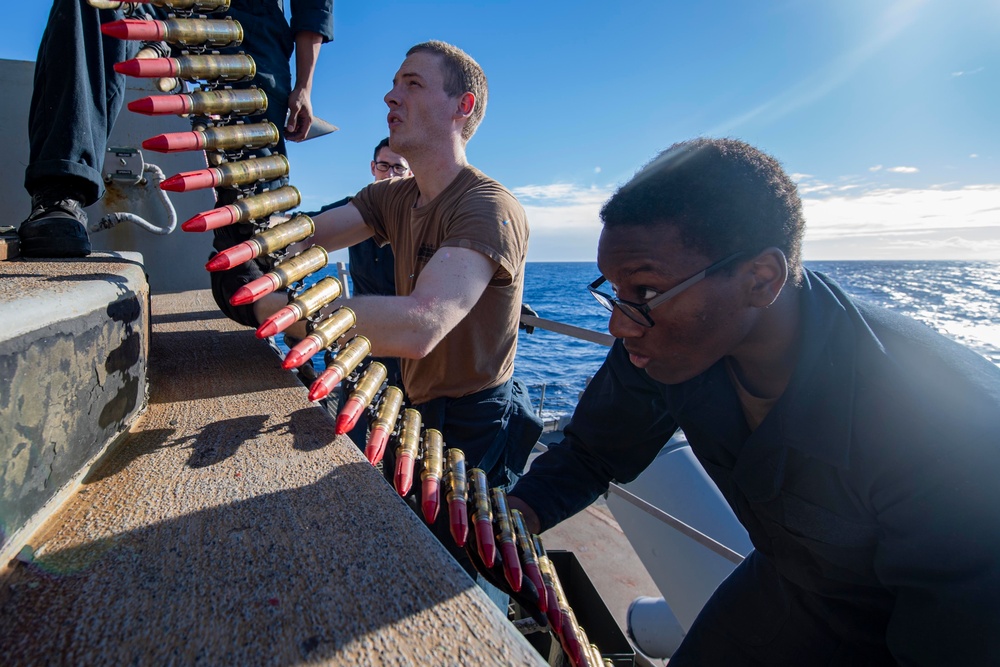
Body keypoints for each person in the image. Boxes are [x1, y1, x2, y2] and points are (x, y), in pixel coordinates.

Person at [507, 138, 1000, 665]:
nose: (619, 324)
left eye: (646, 294)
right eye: (616, 291)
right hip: (790, 582)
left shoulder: (946, 428)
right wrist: (512, 517)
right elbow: (592, 452)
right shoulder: (673, 345)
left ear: (761, 279)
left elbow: (958, 635)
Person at [257, 40, 541, 585]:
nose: (390, 95)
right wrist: (257, 243)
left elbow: (420, 325)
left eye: (412, 84)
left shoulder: (487, 206)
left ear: (465, 106)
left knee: (459, 570)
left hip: (473, 422)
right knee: (413, 544)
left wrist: (282, 309)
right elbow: (311, 232)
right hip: (415, 400)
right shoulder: (396, 197)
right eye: (394, 83)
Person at [17, 0, 333, 259]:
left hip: (250, 22)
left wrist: (304, 86)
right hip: (155, 8)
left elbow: (313, 5)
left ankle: (256, 255)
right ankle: (58, 199)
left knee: (257, 192)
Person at [301, 137, 410, 444]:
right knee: (354, 416)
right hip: (360, 331)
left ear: (410, 173)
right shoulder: (356, 209)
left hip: (405, 334)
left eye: (398, 168)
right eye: (384, 166)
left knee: (400, 420)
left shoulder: (421, 218)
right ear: (373, 168)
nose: (390, 174)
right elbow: (309, 224)